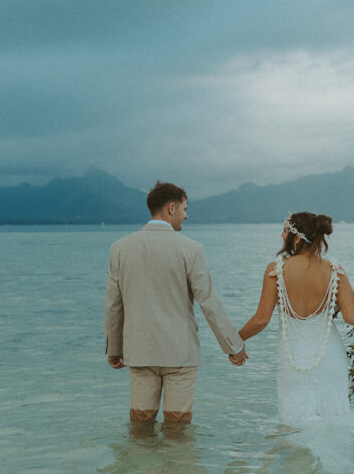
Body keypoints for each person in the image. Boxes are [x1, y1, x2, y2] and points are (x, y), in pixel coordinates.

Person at [105, 181, 247, 427]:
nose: (186, 215)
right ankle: (178, 466)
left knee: (140, 426)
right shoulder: (191, 249)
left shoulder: (120, 248)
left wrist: (114, 348)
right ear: (171, 208)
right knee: (178, 428)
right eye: (184, 209)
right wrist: (233, 346)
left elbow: (113, 306)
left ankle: (140, 466)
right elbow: (209, 302)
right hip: (180, 353)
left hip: (139, 351)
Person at [237, 212, 354, 425]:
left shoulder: (276, 269)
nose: (281, 235)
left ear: (297, 238)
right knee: (334, 421)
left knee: (294, 423)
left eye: (285, 230)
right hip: (329, 356)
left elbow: (261, 320)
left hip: (292, 357)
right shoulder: (336, 272)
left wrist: (234, 341)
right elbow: (351, 318)